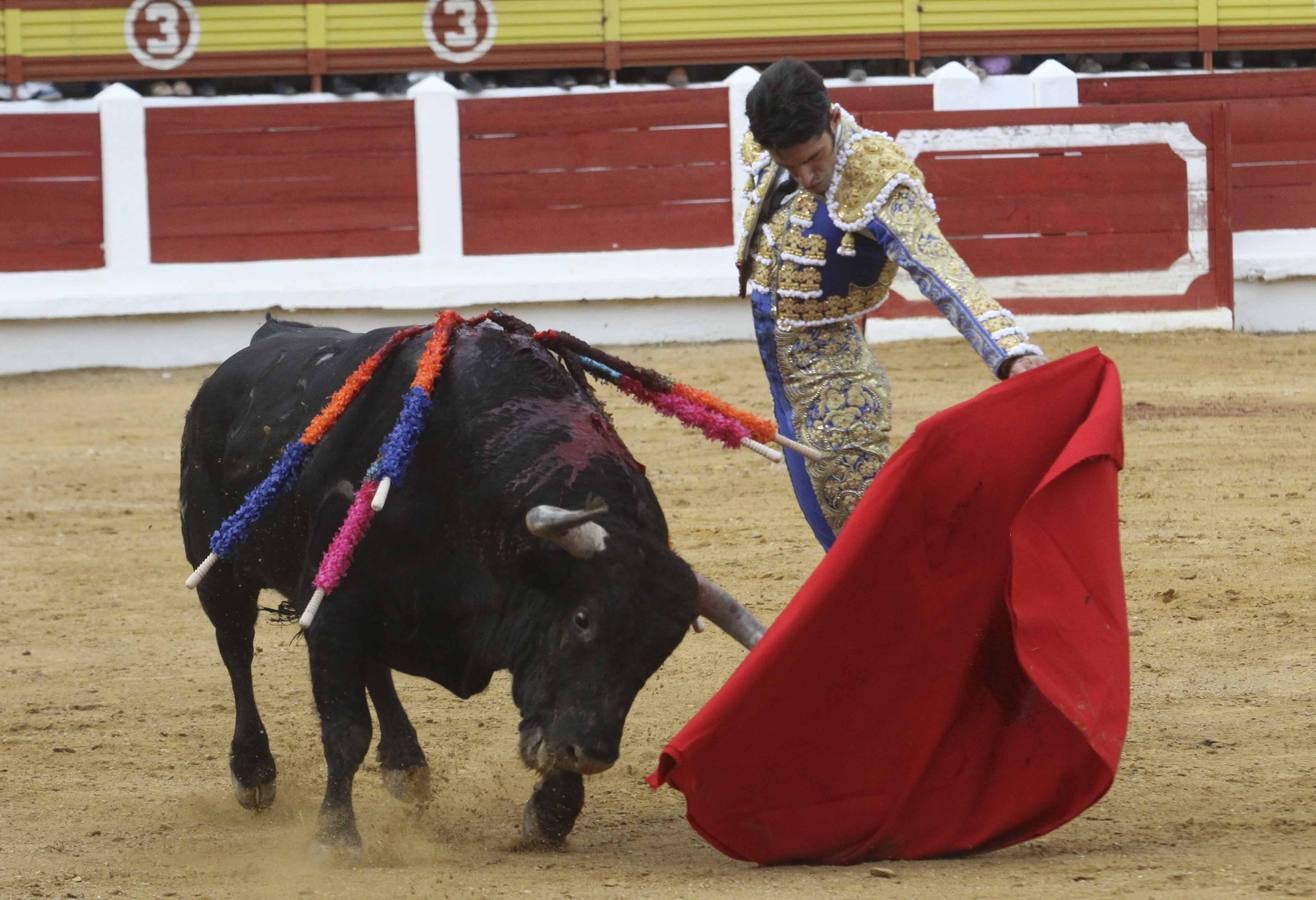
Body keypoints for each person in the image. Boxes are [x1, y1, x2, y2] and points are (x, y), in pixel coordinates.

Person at [737, 57, 1047, 549]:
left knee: (869, 549)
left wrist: (1010, 352)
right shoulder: (764, 147)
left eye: (814, 157)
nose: (805, 176)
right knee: (844, 545)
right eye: (789, 163)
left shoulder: (877, 176)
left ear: (833, 121)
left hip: (839, 392)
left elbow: (940, 269)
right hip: (786, 384)